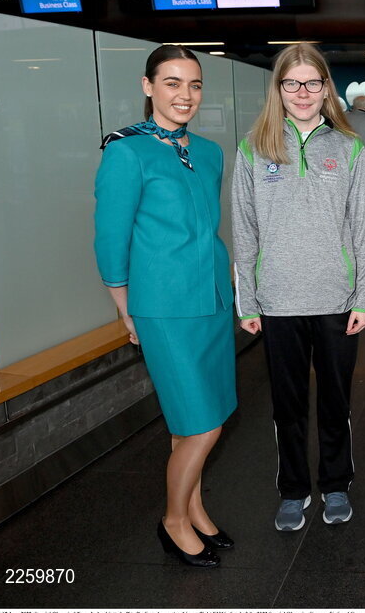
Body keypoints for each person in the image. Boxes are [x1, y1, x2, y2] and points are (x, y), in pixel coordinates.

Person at [94, 45, 235, 569]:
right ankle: (173, 519)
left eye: (194, 85)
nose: (185, 95)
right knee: (204, 425)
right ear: (148, 85)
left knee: (193, 419)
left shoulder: (210, 152)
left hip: (213, 300)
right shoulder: (126, 152)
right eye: (173, 83)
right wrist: (126, 310)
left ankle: (195, 509)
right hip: (163, 307)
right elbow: (110, 239)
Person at [232, 43, 365, 532]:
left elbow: (362, 230)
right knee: (286, 407)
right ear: (278, 89)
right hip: (278, 300)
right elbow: (244, 227)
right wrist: (247, 299)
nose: (302, 92)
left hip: (336, 299)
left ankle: (335, 484)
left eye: (313, 82)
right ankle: (293, 491)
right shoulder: (253, 147)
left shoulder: (349, 147)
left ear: (326, 88)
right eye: (291, 83)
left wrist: (364, 299)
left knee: (335, 402)